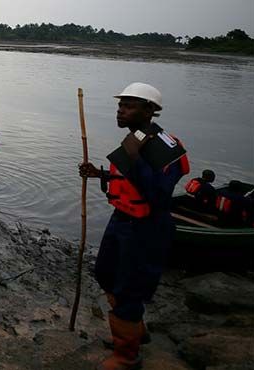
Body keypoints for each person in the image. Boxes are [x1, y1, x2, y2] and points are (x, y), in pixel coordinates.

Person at [78, 82, 189, 370]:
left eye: (129, 106)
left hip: (146, 227)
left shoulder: (165, 148)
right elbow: (127, 182)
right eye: (120, 105)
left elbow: (158, 194)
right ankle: (134, 330)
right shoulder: (136, 139)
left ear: (150, 110)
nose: (121, 111)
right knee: (104, 272)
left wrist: (136, 157)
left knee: (129, 287)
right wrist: (98, 173)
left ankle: (127, 356)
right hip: (122, 219)